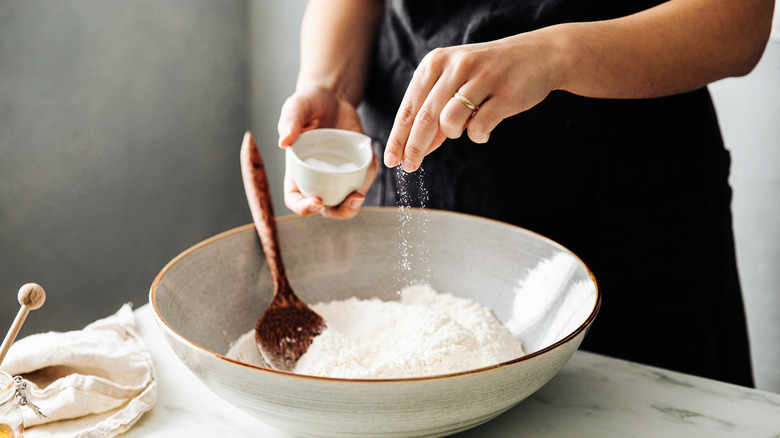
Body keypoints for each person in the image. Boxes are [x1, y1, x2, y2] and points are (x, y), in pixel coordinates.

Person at [275, 0, 774, 387]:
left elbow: (740, 21)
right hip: (417, 168)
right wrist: (332, 89)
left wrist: (555, 55)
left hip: (631, 209)